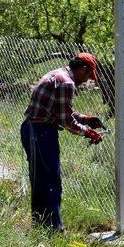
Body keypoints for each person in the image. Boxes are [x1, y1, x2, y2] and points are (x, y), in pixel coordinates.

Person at [21, 52, 105, 231]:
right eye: (89, 75)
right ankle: (54, 228)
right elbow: (66, 121)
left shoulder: (58, 74)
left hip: (32, 129)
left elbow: (60, 111)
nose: (88, 80)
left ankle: (40, 224)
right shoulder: (67, 83)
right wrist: (88, 133)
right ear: (83, 69)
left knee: (39, 179)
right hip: (41, 133)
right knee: (51, 181)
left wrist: (87, 119)